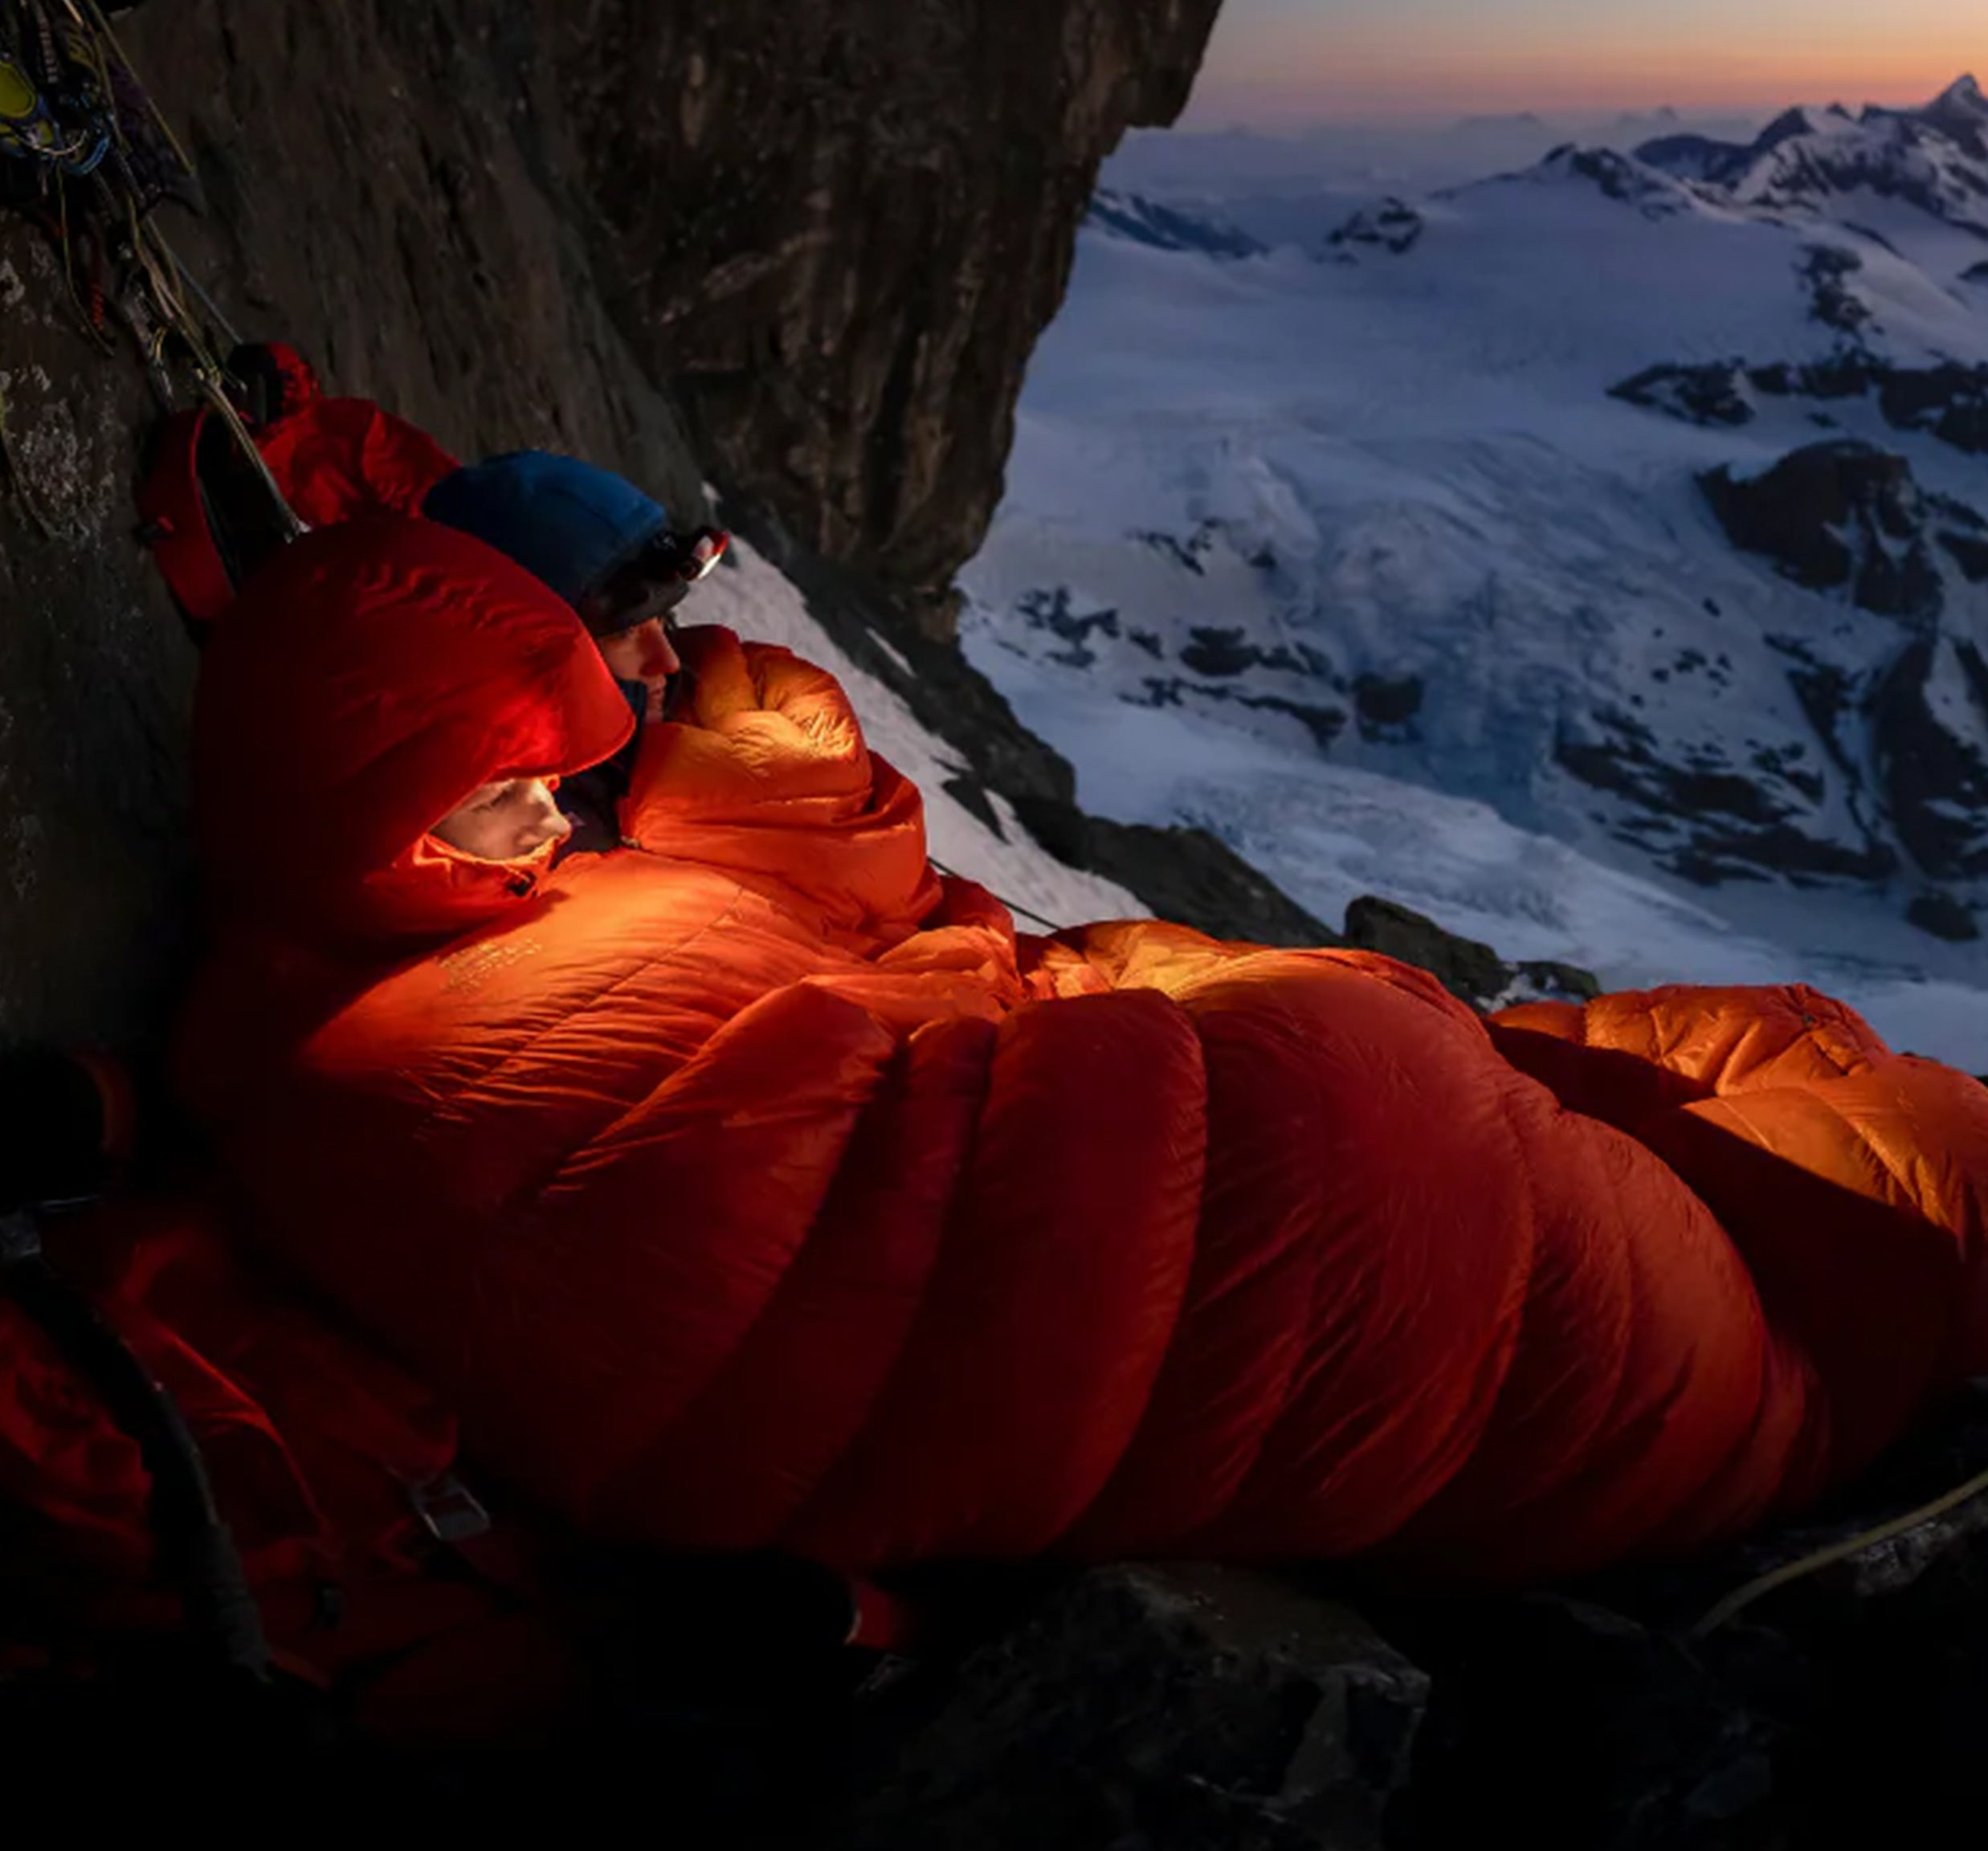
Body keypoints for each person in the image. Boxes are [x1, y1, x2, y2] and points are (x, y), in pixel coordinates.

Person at [174, 514, 1988, 1590]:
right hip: (1314, 1215)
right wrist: (1148, 1008)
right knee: (1815, 1196)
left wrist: (797, 819)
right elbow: (837, 1204)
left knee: (1725, 1079)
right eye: (505, 803)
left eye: (553, 785)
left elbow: (833, 1028)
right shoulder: (408, 1068)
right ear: (373, 817)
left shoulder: (424, 948)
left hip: (1261, 1161)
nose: (554, 825)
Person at [423, 451, 729, 847]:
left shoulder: (679, 699)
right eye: (625, 632)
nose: (667, 660)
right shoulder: (480, 796)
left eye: (661, 619)